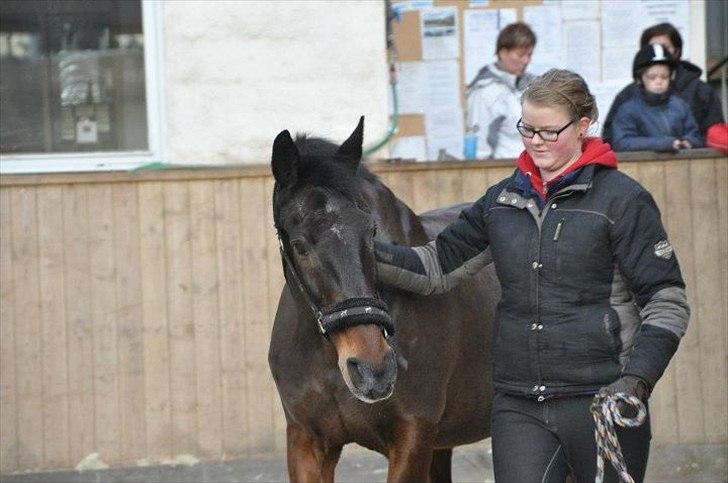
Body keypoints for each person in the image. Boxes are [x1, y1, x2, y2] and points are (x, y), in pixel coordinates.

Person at [375, 69, 690, 482]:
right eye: (527, 129)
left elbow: (667, 302)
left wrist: (637, 378)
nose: (535, 141)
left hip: (602, 398)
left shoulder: (624, 201)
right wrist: (362, 253)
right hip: (519, 405)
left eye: (549, 131)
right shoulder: (501, 201)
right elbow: (435, 267)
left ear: (582, 126)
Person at [602, 22, 724, 145]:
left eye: (665, 48)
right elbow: (610, 138)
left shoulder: (701, 91)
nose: (658, 52)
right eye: (652, 48)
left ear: (677, 51)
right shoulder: (628, 95)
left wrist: (689, 143)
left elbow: (715, 134)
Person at [611, 43, 703, 152]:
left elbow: (696, 136)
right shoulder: (628, 110)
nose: (659, 81)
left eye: (664, 77)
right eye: (652, 77)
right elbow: (622, 142)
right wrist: (664, 143)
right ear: (640, 79)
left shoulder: (681, 106)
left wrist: (689, 141)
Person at [465, 22, 536, 160]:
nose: (526, 61)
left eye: (529, 55)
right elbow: (480, 149)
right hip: (504, 171)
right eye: (521, 55)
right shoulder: (484, 91)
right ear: (503, 53)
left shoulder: (532, 85)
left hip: (534, 169)